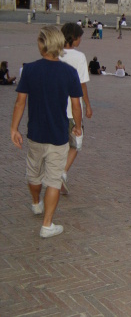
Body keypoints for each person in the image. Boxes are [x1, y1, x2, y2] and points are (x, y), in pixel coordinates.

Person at [10, 26, 83, 238]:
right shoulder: (69, 72)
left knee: (33, 173)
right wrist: (77, 127)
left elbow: (20, 102)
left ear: (42, 44)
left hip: (35, 133)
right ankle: (47, 225)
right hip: (58, 134)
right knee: (53, 179)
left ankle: (35, 203)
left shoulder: (29, 69)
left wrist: (14, 128)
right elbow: (75, 105)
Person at [59, 23, 93, 194]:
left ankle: (56, 173)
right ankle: (62, 173)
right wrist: (87, 105)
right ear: (74, 38)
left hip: (55, 108)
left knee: (59, 144)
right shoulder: (79, 57)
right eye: (80, 37)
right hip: (73, 109)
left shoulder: (55, 53)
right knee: (76, 144)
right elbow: (82, 85)